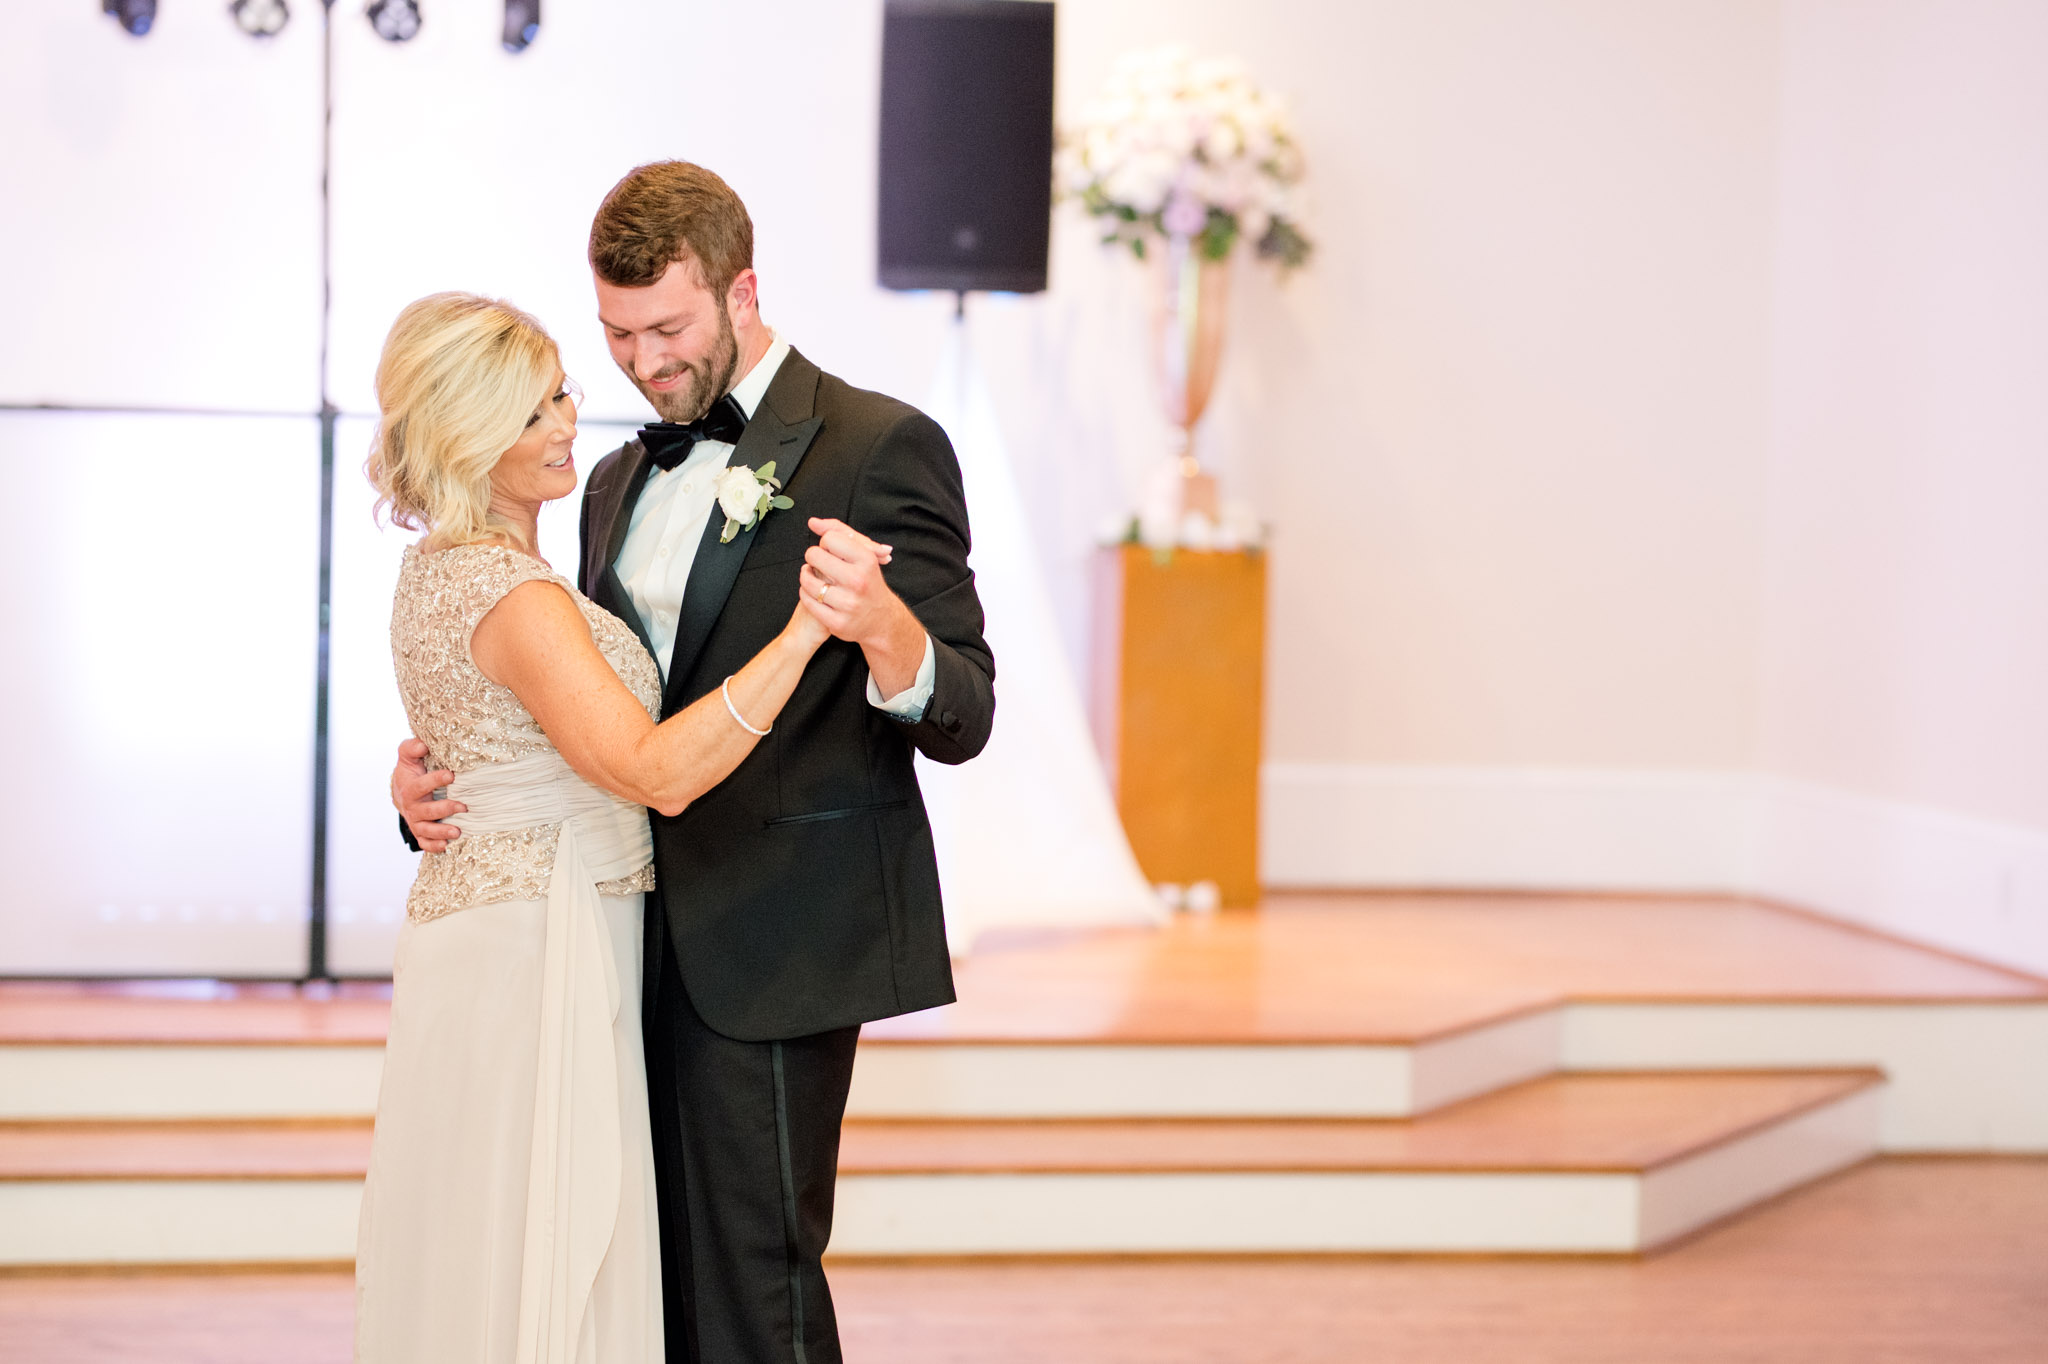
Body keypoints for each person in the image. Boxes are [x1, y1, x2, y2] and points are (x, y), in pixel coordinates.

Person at [392, 161, 996, 1364]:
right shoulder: (612, 478)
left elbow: (963, 709)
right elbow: (567, 697)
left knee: (752, 1278)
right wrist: (434, 785)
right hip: (610, 937)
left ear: (742, 289)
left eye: (667, 328)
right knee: (634, 1276)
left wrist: (881, 625)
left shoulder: (879, 443)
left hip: (777, 935)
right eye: (615, 335)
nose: (642, 364)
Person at [354, 291, 865, 1363]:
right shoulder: (514, 593)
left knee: (487, 1236)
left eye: (559, 395)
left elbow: (498, 743)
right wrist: (804, 632)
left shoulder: (439, 570)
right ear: (467, 433)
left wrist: (424, 791)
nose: (566, 423)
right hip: (543, 943)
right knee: (550, 1238)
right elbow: (649, 771)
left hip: (496, 929)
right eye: (533, 407)